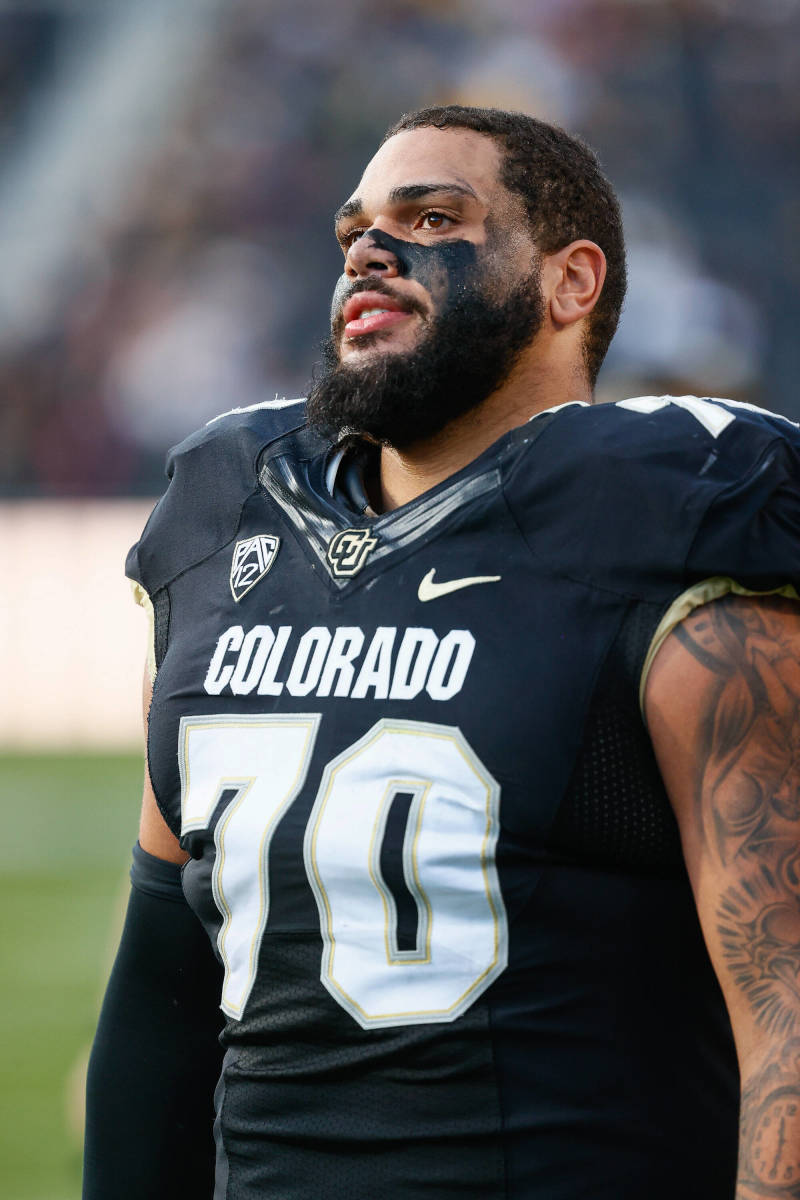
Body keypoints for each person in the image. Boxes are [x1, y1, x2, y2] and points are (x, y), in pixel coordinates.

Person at [83, 105, 800, 1200]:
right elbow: (161, 983)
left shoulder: (665, 524)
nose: (370, 249)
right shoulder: (230, 519)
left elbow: (784, 1007)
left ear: (570, 283)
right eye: (354, 230)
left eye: (431, 217)